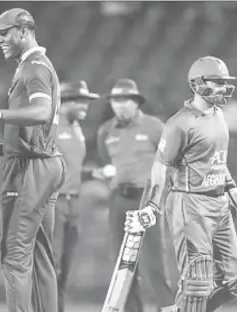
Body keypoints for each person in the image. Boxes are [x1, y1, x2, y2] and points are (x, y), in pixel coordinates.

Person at [124, 56, 237, 312]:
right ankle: (189, 303)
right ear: (196, 84)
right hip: (190, 203)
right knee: (197, 277)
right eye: (216, 82)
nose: (222, 87)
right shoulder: (179, 123)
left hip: (218, 203)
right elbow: (160, 168)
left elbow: (216, 160)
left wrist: (231, 190)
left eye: (224, 82)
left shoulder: (219, 115)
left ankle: (183, 308)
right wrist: (152, 205)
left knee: (232, 272)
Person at [0, 8, 65, 312]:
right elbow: (37, 130)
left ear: (23, 31)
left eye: (4, 33)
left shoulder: (33, 68)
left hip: (30, 170)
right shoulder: (37, 65)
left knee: (15, 257)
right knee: (41, 256)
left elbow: (42, 114)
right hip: (45, 163)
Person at [96, 78, 174, 312]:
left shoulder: (154, 127)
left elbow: (169, 161)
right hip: (119, 197)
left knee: (153, 263)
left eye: (125, 100)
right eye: (116, 101)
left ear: (137, 102)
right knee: (123, 265)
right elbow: (106, 160)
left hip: (146, 198)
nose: (120, 106)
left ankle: (167, 307)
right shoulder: (106, 131)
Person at [53, 81, 99, 312]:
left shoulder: (76, 128)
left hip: (73, 203)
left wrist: (92, 173)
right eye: (79, 101)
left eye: (86, 101)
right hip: (54, 202)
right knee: (51, 267)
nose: (85, 106)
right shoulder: (50, 127)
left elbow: (71, 167)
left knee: (64, 268)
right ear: (63, 102)